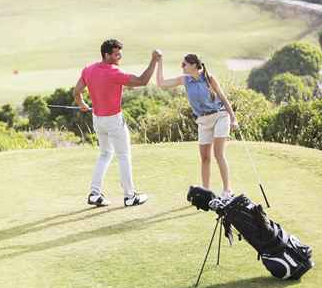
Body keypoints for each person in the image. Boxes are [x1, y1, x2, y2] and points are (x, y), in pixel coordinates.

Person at [73, 39, 157, 207]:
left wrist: (81, 104)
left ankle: (95, 194)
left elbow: (77, 92)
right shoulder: (114, 72)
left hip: (97, 119)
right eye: (116, 54)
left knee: (105, 154)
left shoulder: (88, 69)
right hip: (113, 120)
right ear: (107, 55)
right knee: (124, 156)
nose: (120, 56)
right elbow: (142, 81)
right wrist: (154, 60)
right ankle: (130, 196)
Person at [155, 52, 239, 198]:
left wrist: (233, 118)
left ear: (194, 65)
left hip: (220, 116)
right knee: (205, 157)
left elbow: (223, 98)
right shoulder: (185, 80)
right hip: (203, 120)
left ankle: (227, 190)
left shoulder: (209, 78)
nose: (181, 66)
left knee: (218, 154)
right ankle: (206, 192)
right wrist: (159, 61)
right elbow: (161, 83)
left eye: (184, 64)